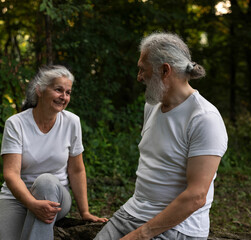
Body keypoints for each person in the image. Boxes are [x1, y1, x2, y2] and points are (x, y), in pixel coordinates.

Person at [94, 32, 228, 240]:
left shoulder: (204, 119)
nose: (139, 77)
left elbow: (196, 196)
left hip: (178, 228)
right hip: (132, 212)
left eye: (142, 69)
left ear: (165, 70)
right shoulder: (152, 106)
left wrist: (139, 235)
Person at [0, 65, 107, 240]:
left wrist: (84, 212)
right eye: (58, 90)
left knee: (45, 181)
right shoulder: (16, 124)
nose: (64, 97)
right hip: (16, 197)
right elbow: (11, 174)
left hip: (56, 196)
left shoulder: (72, 122)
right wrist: (32, 204)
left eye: (68, 92)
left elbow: (77, 170)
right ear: (39, 90)